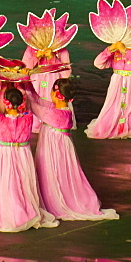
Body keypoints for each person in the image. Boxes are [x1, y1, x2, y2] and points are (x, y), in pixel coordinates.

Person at [30, 80, 118, 221]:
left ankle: (55, 200)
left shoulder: (57, 114)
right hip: (57, 145)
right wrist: (27, 84)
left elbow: (34, 106)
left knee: (54, 170)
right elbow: (38, 100)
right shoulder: (60, 109)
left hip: (55, 148)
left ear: (57, 94)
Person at [0, 83, 59, 232]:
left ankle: (7, 211)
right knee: (21, 181)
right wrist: (20, 84)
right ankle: (23, 210)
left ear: (5, 102)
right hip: (22, 153)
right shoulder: (28, 117)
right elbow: (29, 101)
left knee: (5, 180)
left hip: (3, 153)